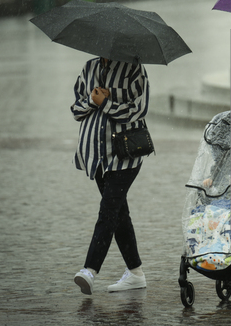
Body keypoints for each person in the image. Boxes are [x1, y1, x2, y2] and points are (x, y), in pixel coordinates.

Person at [71, 56, 150, 295]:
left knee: (108, 211)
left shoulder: (134, 68)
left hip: (125, 155)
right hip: (96, 156)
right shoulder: (88, 67)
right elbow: (76, 109)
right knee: (118, 213)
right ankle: (135, 273)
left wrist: (106, 103)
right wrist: (93, 101)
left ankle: (90, 270)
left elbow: (140, 109)